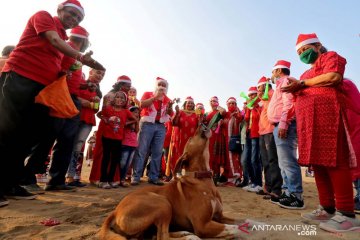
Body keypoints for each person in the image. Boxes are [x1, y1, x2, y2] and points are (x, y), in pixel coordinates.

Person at [0, 0, 104, 207]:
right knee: (8, 133)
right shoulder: (44, 17)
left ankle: (10, 184)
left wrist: (82, 79)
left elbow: (63, 70)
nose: (73, 19)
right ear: (60, 10)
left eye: (78, 18)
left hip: (42, 91)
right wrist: (81, 58)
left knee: (26, 137)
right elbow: (53, 40)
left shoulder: (65, 41)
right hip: (20, 78)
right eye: (71, 13)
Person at [282, 33, 360, 232]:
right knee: (318, 164)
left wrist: (303, 85)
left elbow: (334, 77)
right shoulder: (304, 75)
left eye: (305, 49)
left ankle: (347, 214)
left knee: (335, 160)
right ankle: (327, 207)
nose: (302, 53)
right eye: (299, 52)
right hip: (309, 122)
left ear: (317, 46)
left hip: (330, 115)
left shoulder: (330, 57)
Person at [66, 67, 105, 187]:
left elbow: (96, 109)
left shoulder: (98, 91)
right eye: (98, 72)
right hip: (73, 116)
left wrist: (95, 102)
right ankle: (60, 175)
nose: (100, 76)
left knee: (78, 146)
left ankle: (71, 177)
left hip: (88, 120)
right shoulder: (80, 82)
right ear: (91, 72)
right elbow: (73, 97)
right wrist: (89, 103)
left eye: (103, 75)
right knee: (66, 144)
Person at [89, 75, 132, 185]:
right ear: (121, 85)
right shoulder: (119, 96)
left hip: (108, 125)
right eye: (128, 85)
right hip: (110, 127)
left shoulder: (114, 94)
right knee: (107, 154)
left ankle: (101, 178)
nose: (130, 87)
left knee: (107, 154)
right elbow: (105, 112)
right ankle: (107, 179)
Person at [131, 77, 173, 186]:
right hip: (147, 124)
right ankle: (136, 176)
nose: (162, 87)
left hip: (160, 126)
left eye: (164, 85)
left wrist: (171, 107)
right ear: (156, 85)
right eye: (160, 84)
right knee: (141, 150)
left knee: (158, 152)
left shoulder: (167, 99)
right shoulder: (148, 94)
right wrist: (155, 97)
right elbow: (142, 105)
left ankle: (153, 177)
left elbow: (170, 114)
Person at [98, 91, 137, 189]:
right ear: (114, 99)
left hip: (118, 138)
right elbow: (99, 114)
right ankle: (103, 181)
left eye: (122, 98)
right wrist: (105, 119)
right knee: (106, 158)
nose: (120, 99)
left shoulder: (126, 111)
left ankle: (110, 180)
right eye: (117, 97)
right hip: (106, 137)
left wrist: (125, 124)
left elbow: (135, 119)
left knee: (115, 159)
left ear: (125, 101)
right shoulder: (108, 109)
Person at [257, 76, 283, 198]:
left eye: (259, 87)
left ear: (266, 86)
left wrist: (267, 85)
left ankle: (276, 190)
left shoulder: (272, 94)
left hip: (270, 130)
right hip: (262, 132)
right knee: (266, 161)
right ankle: (268, 187)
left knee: (273, 160)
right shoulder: (263, 99)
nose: (258, 90)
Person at [170, 96, 199, 173]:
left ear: (194, 105)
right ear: (185, 104)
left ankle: (187, 174)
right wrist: (176, 113)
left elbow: (199, 126)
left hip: (191, 140)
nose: (190, 104)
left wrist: (201, 117)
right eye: (188, 103)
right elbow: (174, 123)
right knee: (178, 156)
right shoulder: (180, 112)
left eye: (191, 103)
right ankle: (176, 174)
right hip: (180, 138)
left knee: (190, 157)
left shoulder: (196, 114)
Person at [241, 87, 262, 192]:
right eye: (249, 95)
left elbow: (259, 118)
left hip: (256, 135)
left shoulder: (260, 105)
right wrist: (247, 109)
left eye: (253, 95)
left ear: (257, 95)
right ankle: (252, 182)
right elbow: (245, 120)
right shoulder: (248, 107)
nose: (250, 97)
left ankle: (258, 183)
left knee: (255, 160)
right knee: (246, 160)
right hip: (248, 134)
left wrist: (254, 106)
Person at [204, 96, 227, 185]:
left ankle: (215, 177)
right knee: (208, 156)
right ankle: (207, 176)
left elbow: (224, 112)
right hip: (209, 137)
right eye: (211, 101)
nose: (213, 102)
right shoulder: (207, 113)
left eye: (215, 101)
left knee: (216, 156)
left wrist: (217, 106)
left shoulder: (219, 112)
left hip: (217, 136)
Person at [222, 97, 243, 185]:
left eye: (233, 103)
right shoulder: (225, 115)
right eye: (230, 103)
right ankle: (229, 177)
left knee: (235, 158)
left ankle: (236, 177)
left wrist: (237, 114)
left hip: (235, 141)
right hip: (226, 141)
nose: (231, 105)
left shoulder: (238, 113)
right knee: (228, 159)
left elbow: (240, 118)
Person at [119, 106, 140, 187]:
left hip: (133, 144)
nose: (137, 114)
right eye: (135, 112)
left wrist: (137, 122)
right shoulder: (127, 120)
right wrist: (133, 120)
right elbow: (124, 124)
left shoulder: (136, 122)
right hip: (125, 143)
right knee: (123, 163)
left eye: (138, 112)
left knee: (128, 164)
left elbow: (137, 131)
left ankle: (123, 179)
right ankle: (119, 178)